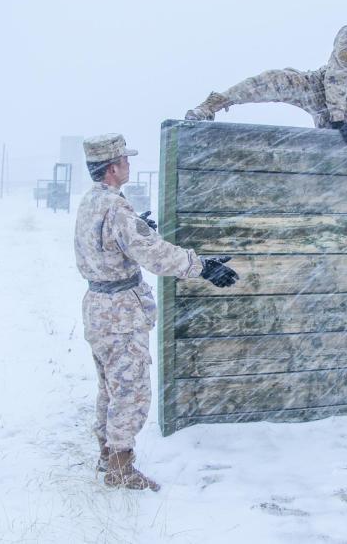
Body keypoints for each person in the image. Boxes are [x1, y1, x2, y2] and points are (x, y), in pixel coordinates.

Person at [74, 133, 239, 490]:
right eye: (125, 160)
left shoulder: (92, 201)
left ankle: (107, 455)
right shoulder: (116, 209)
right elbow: (155, 255)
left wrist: (139, 231)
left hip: (98, 308)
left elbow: (109, 245)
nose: (129, 165)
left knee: (110, 387)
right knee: (130, 391)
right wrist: (202, 267)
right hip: (119, 314)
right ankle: (121, 469)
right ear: (112, 168)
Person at [184, 5, 347, 144]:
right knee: (275, 81)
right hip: (321, 86)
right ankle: (211, 106)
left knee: (338, 147)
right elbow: (338, 75)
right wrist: (336, 117)